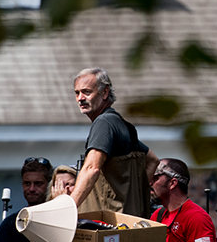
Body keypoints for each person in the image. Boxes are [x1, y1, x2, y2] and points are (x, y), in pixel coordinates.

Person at [68, 67, 158, 218]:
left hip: (109, 226)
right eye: (77, 93)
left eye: (86, 92)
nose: (80, 98)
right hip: (130, 221)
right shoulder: (123, 125)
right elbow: (153, 161)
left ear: (105, 92)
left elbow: (92, 168)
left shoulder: (104, 123)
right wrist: (136, 199)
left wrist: (68, 208)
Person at [0, 157, 53, 242]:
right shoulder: (10, 223)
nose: (31, 189)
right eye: (27, 183)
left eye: (38, 184)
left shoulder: (57, 219)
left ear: (49, 185)